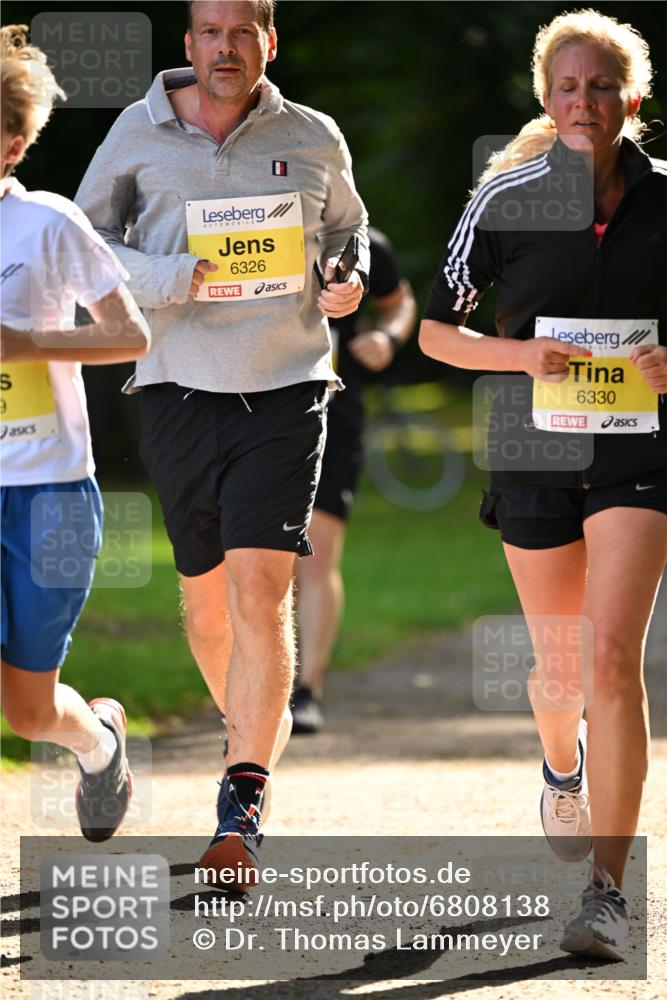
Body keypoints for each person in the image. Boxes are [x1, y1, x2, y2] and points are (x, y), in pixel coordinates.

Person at [74, 0, 369, 887]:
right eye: (210, 32)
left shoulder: (312, 133)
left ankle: (239, 807)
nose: (225, 48)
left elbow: (347, 229)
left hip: (287, 389)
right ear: (190, 43)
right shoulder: (137, 129)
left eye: (242, 32)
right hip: (174, 386)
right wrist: (168, 275)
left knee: (259, 588)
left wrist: (341, 276)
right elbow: (83, 240)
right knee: (207, 610)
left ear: (267, 42)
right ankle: (252, 735)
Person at [419, 9, 666, 961]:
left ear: (629, 100)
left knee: (610, 662)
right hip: (534, 447)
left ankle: (607, 890)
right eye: (566, 86)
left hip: (638, 460)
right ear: (544, 99)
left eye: (600, 85)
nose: (583, 101)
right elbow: (440, 332)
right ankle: (559, 764)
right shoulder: (506, 198)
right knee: (560, 666)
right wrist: (522, 356)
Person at [0, 25, 151, 841]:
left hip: (49, 491)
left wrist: (31, 343)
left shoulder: (49, 225)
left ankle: (99, 746)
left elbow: (130, 337)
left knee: (27, 711)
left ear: (13, 143)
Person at [293, 228, 416, 733]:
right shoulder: (239, 223)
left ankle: (307, 690)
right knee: (260, 560)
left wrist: (387, 336)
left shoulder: (365, 244)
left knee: (317, 554)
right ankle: (259, 685)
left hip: (332, 414)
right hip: (248, 412)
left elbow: (399, 301)